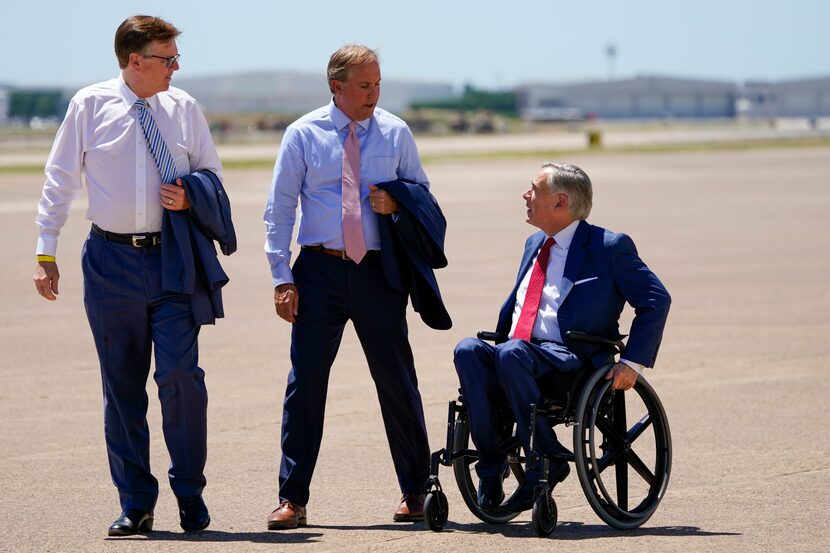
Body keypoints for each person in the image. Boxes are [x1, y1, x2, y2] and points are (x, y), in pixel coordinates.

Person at [33, 15, 233, 536]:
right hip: (109, 262)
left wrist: (192, 194)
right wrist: (45, 248)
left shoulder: (184, 108)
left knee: (180, 378)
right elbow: (59, 177)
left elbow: (212, 173)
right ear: (135, 60)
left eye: (176, 58)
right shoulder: (89, 105)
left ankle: (190, 493)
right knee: (121, 385)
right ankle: (136, 502)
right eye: (167, 59)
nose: (176, 67)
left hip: (173, 261)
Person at [264, 44, 448, 529]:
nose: (373, 93)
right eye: (364, 85)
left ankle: (415, 490)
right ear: (336, 87)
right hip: (318, 271)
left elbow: (423, 197)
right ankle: (292, 498)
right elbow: (280, 209)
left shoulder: (395, 132)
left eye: (377, 84)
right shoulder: (302, 135)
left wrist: (398, 205)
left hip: (378, 272)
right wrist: (281, 277)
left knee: (396, 380)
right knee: (305, 384)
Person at [453, 162, 670, 513]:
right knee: (467, 349)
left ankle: (546, 459)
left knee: (511, 354)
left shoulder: (609, 247)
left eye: (534, 190)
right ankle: (491, 469)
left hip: (571, 361)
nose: (526, 195)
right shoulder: (533, 244)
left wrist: (631, 362)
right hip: (520, 352)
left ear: (560, 202)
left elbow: (656, 299)